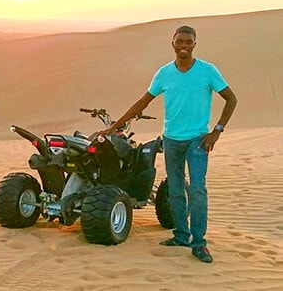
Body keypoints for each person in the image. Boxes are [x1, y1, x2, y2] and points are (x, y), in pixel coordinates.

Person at [101, 25, 237, 263]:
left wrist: (217, 131)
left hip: (197, 140)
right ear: (172, 43)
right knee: (175, 191)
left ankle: (199, 243)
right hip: (172, 139)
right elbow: (142, 102)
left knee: (197, 190)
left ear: (195, 44)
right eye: (180, 41)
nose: (184, 45)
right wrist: (114, 127)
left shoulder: (207, 71)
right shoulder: (164, 73)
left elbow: (231, 99)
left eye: (188, 41)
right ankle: (181, 235)